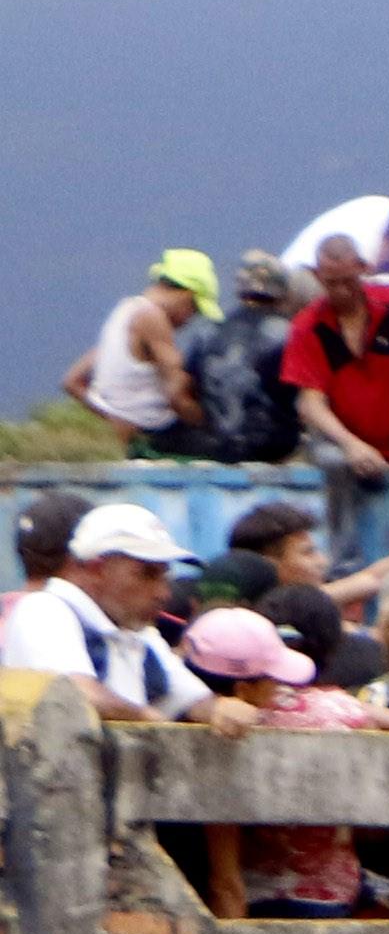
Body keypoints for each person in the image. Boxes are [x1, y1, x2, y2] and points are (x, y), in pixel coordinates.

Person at [6, 506, 257, 725]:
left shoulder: (139, 634)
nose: (163, 593)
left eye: (164, 576)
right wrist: (150, 720)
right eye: (147, 574)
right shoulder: (43, 610)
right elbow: (77, 695)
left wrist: (223, 710)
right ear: (96, 569)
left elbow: (193, 701)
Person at [64, 252, 220, 455]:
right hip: (153, 436)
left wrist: (112, 417)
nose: (190, 320)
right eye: (196, 310)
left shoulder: (123, 313)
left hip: (122, 436)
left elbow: (72, 381)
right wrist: (211, 426)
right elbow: (177, 398)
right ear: (187, 296)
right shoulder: (152, 318)